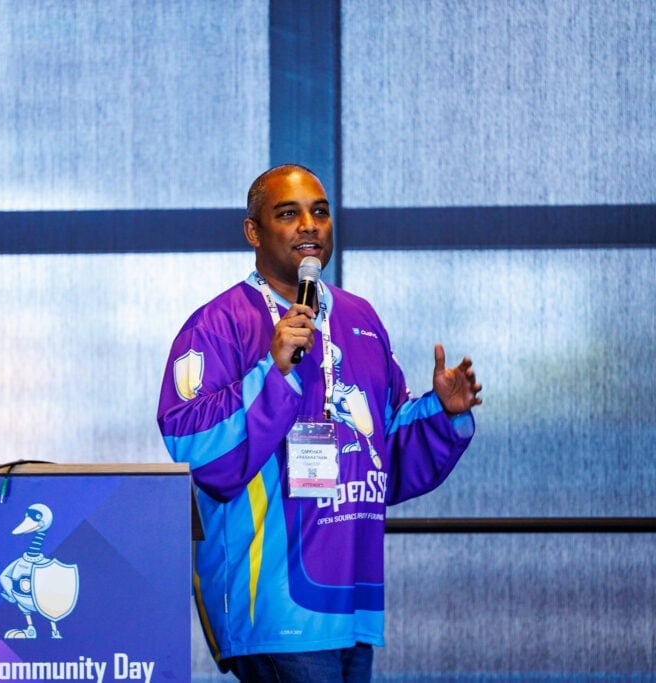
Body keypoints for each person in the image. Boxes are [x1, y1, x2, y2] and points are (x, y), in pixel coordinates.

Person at [157, 164, 481, 682]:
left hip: (351, 598)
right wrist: (274, 370)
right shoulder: (218, 325)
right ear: (253, 232)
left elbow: (384, 456)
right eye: (288, 213)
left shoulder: (361, 317)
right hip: (273, 601)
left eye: (320, 212)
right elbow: (194, 448)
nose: (310, 224)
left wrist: (442, 413)